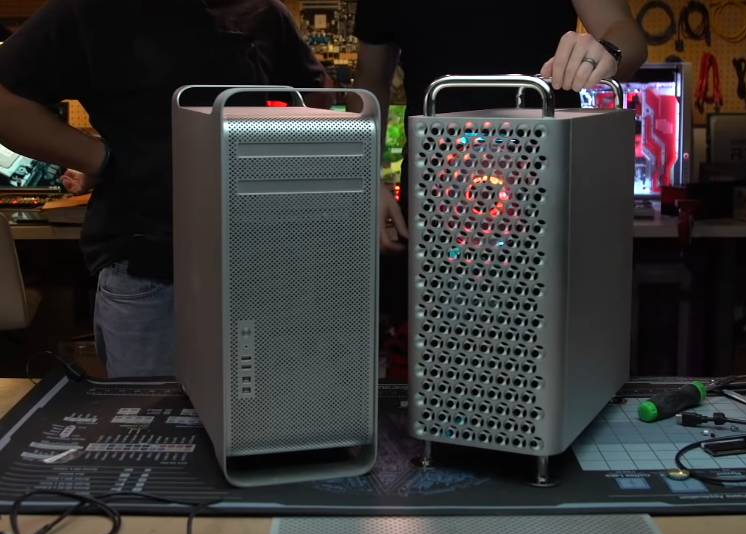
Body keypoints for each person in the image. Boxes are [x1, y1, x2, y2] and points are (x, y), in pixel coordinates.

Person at [0, 0, 332, 378]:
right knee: (152, 412)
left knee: (267, 409)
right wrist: (101, 158)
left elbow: (315, 98)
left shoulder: (263, 12)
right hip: (152, 270)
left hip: (265, 265)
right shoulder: (92, 10)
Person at [351, 0, 648, 242]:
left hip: (545, 184)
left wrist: (607, 52)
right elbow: (370, 81)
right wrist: (365, 181)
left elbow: (628, 37)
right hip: (435, 193)